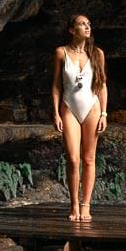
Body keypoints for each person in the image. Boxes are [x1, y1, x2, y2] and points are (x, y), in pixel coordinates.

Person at [51, 14, 108, 222]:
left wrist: (104, 113)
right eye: (82, 24)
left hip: (92, 107)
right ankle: (73, 204)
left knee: (89, 158)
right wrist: (56, 112)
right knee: (73, 159)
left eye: (89, 24)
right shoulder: (61, 52)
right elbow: (57, 84)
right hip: (69, 107)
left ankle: (86, 205)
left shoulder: (97, 53)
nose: (87, 27)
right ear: (72, 30)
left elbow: (102, 86)